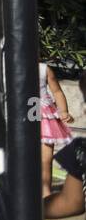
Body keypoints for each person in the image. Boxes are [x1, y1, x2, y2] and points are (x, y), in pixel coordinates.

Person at [40, 62, 74, 197]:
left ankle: (45, 194)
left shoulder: (44, 69)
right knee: (21, 156)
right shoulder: (9, 65)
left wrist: (64, 111)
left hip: (44, 115)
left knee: (46, 159)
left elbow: (57, 91)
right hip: (22, 114)